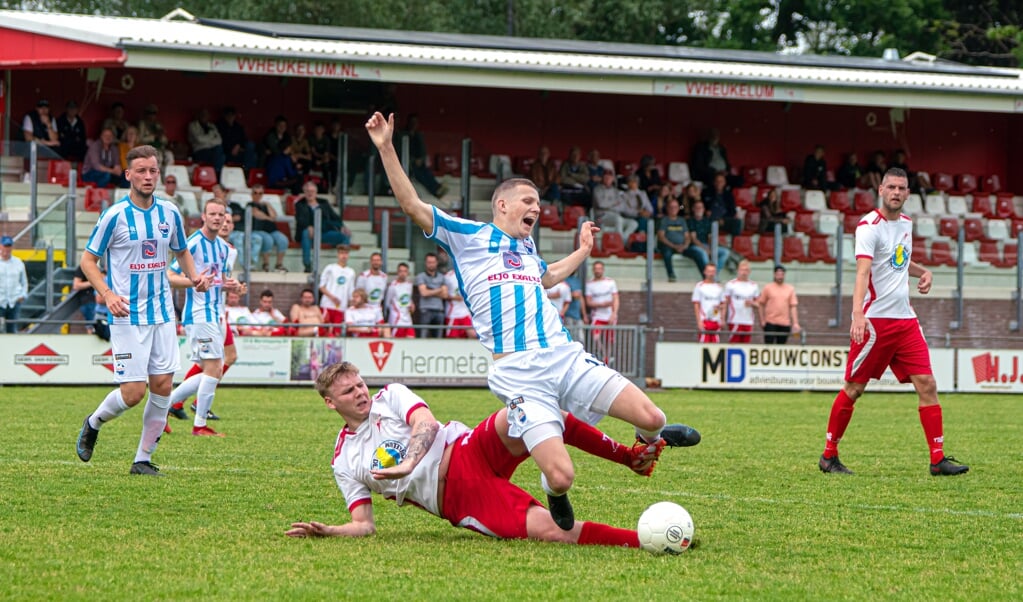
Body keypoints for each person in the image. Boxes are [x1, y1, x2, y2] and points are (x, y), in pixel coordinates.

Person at [366, 111, 699, 531]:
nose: (537, 209)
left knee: (653, 418)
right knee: (562, 476)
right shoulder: (468, 237)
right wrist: (386, 147)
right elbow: (412, 205)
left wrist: (583, 250)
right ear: (502, 204)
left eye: (539, 205)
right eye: (529, 202)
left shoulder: (527, 252)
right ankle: (553, 489)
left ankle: (648, 448)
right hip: (519, 373)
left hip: (564, 356)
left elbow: (550, 276)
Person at [286, 361, 668, 546]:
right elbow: (365, 524)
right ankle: (646, 539)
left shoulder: (391, 396)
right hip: (458, 496)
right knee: (553, 531)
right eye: (349, 392)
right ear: (330, 403)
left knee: (529, 411)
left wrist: (409, 463)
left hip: (468, 447)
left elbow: (427, 425)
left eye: (360, 385)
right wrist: (330, 531)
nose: (361, 393)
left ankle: (627, 456)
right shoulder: (344, 460)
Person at [819, 168, 969, 477]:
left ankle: (937, 460)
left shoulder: (906, 224)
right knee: (854, 388)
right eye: (891, 187)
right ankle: (828, 455)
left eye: (902, 188)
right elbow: (863, 272)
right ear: (881, 190)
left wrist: (923, 271)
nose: (896, 192)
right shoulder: (868, 227)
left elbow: (898, 259)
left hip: (906, 321)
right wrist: (857, 314)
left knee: (927, 384)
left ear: (908, 194)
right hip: (875, 322)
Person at [75, 144, 210, 476]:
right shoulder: (114, 215)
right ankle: (93, 423)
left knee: (163, 385)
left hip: (162, 313)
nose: (148, 176)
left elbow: (181, 251)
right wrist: (106, 294)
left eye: (153, 170)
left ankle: (143, 460)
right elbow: (87, 261)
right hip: (126, 315)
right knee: (133, 393)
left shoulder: (170, 213)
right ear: (128, 175)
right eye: (141, 171)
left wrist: (194, 276)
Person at [166, 197, 239, 437]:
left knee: (212, 369)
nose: (218, 218)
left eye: (222, 215)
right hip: (199, 314)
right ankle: (199, 425)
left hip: (216, 314)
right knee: (213, 368)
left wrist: (232, 286)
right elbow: (169, 275)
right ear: (203, 217)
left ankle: (164, 407)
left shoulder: (221, 247)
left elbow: (218, 281)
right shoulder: (193, 243)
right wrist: (194, 282)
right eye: (213, 214)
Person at [294, 181, 350, 272]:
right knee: (306, 232)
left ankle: (342, 264)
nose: (310, 193)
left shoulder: (324, 203)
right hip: (309, 235)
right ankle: (307, 264)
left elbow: (335, 217)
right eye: (307, 191)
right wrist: (309, 226)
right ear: (304, 192)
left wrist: (342, 226)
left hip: (324, 233)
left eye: (312, 191)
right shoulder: (300, 204)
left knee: (344, 236)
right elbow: (300, 219)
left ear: (316, 192)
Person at [399, 114, 447, 198]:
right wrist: (413, 160)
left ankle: (437, 188)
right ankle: (435, 190)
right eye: (412, 122)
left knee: (425, 170)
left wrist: (420, 159)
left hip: (418, 163)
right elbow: (401, 151)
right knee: (418, 173)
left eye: (415, 122)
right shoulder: (403, 135)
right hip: (408, 164)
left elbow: (422, 151)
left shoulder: (418, 136)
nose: (414, 124)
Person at [657, 197, 703, 282]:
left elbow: (687, 236)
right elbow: (661, 237)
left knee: (697, 254)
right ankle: (671, 275)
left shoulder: (682, 220)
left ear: (678, 208)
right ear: (667, 208)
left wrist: (684, 246)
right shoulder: (664, 220)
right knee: (666, 253)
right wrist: (674, 246)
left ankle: (705, 277)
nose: (673, 209)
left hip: (682, 246)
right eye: (671, 207)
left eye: (675, 207)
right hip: (669, 245)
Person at [247, 185, 290, 272]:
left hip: (271, 229)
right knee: (268, 239)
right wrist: (269, 218)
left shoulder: (265, 205)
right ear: (252, 194)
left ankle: (279, 264)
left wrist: (268, 205)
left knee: (283, 240)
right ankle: (266, 264)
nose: (258, 195)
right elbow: (257, 215)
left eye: (260, 193)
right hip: (258, 230)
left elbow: (274, 216)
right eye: (255, 193)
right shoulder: (250, 205)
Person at [319, 244, 356, 337]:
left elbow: (351, 290)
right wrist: (332, 297)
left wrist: (351, 304)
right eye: (341, 253)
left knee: (337, 333)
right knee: (324, 330)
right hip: (327, 305)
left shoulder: (351, 271)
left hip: (341, 307)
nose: (344, 256)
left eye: (346, 253)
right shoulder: (330, 268)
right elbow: (321, 286)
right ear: (337, 254)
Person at [758, 265, 801, 344]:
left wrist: (795, 323)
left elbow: (793, 307)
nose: (780, 276)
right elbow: (761, 304)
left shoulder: (790, 289)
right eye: (778, 274)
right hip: (770, 322)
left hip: (784, 323)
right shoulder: (768, 288)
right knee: (769, 347)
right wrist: (762, 320)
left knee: (781, 347)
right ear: (774, 275)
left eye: (782, 274)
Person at [585, 261, 618, 364]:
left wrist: (614, 313)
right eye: (596, 269)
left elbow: (616, 298)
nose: (597, 271)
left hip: (609, 315)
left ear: (603, 270)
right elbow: (588, 302)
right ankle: (603, 355)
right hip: (597, 315)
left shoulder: (610, 282)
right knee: (596, 337)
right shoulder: (589, 284)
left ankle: (608, 358)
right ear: (593, 270)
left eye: (599, 268)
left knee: (610, 340)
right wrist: (601, 304)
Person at [592, 171, 638, 243]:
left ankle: (623, 240)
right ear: (602, 178)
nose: (607, 179)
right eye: (605, 177)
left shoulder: (616, 191)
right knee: (618, 219)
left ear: (613, 179)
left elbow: (622, 207)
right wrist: (614, 203)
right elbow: (601, 204)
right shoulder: (597, 189)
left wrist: (609, 205)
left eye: (609, 177)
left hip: (615, 216)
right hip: (600, 218)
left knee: (633, 223)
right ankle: (619, 242)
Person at [688, 200, 732, 274]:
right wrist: (705, 249)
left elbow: (709, 237)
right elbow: (694, 239)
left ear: (703, 209)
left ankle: (714, 274)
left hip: (707, 245)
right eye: (697, 207)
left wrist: (711, 248)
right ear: (693, 209)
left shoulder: (707, 221)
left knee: (725, 252)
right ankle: (708, 274)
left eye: (700, 207)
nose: (699, 209)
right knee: (703, 253)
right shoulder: (690, 221)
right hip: (695, 246)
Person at [723, 260, 759, 343]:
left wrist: (752, 303)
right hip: (735, 320)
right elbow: (725, 302)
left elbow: (758, 304)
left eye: (746, 270)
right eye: (742, 270)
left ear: (749, 272)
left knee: (746, 347)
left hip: (748, 321)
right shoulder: (731, 284)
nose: (744, 272)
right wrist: (722, 319)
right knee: (734, 345)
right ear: (738, 271)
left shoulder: (753, 285)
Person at [414, 252, 446, 338]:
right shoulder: (421, 276)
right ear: (425, 263)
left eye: (433, 262)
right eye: (429, 262)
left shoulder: (441, 277)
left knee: (438, 339)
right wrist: (439, 290)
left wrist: (430, 290)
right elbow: (423, 293)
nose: (431, 264)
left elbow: (445, 295)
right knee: (423, 337)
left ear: (437, 263)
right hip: (425, 310)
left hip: (439, 310)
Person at [216, 106, 258, 172]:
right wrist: (232, 148)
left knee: (251, 148)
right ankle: (247, 171)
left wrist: (238, 146)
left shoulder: (238, 127)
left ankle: (248, 172)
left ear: (234, 116)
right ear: (225, 116)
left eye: (232, 115)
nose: (230, 117)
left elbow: (244, 139)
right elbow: (220, 141)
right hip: (227, 153)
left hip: (239, 151)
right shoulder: (220, 126)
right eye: (228, 115)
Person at [0, 236, 28, 333]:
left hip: (14, 301)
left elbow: (24, 281)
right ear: (0, 246)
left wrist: (23, 295)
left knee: (12, 330)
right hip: (1, 300)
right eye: (4, 246)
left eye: (8, 247)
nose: (6, 250)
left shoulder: (18, 262)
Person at [701, 172, 741, 236]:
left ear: (724, 183)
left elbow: (732, 211)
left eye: (721, 181)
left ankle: (736, 242)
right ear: (714, 182)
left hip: (724, 219)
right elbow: (701, 206)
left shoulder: (729, 195)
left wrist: (723, 219)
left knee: (737, 222)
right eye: (717, 181)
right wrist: (705, 211)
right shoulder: (706, 192)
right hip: (710, 219)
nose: (719, 183)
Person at [187, 108, 225, 176]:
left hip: (213, 150)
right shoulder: (193, 125)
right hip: (200, 151)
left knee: (219, 150)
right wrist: (211, 137)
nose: (204, 116)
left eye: (206, 115)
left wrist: (207, 141)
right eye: (202, 115)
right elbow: (199, 139)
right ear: (198, 115)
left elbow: (219, 140)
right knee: (220, 156)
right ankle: (217, 175)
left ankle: (216, 173)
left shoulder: (212, 126)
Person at [692, 264, 724, 343]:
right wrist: (699, 321)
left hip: (716, 320)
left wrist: (722, 319)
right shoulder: (699, 286)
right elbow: (696, 304)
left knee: (716, 345)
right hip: (705, 320)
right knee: (704, 345)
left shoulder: (719, 287)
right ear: (705, 272)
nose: (711, 274)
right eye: (709, 271)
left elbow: (723, 304)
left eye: (713, 271)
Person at [384, 262, 416, 338]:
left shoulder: (409, 284)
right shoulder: (393, 286)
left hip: (408, 319)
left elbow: (409, 299)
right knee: (398, 342)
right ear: (397, 272)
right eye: (401, 271)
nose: (403, 273)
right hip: (397, 320)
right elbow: (387, 303)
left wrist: (412, 305)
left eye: (405, 271)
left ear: (408, 273)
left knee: (412, 340)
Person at [444, 265, 475, 339]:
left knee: (473, 335)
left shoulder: (468, 274)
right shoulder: (448, 276)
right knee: (454, 339)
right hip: (453, 313)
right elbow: (444, 294)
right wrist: (454, 297)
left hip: (465, 312)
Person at [71, 264, 98, 334]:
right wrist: (93, 282)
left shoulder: (96, 267)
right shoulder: (83, 267)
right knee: (92, 326)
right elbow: (76, 285)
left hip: (96, 301)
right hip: (89, 301)